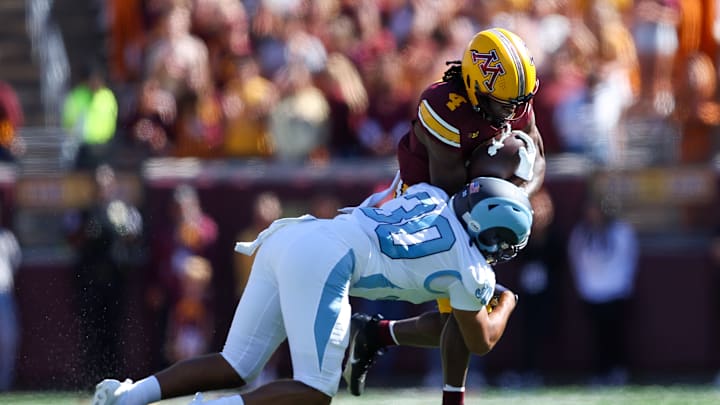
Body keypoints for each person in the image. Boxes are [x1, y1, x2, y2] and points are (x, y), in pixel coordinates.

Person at [92, 176, 532, 405]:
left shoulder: (431, 194)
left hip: (294, 234)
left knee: (236, 363)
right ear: (487, 231)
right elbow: (480, 339)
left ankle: (131, 395)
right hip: (329, 260)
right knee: (314, 391)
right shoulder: (471, 269)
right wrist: (507, 300)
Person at [343, 27, 545, 404]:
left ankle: (377, 335)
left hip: (474, 201)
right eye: (505, 105)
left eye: (520, 103)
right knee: (471, 324)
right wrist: (500, 198)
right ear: (472, 84)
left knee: (464, 317)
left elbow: (536, 156)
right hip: (423, 205)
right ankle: (379, 336)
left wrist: (517, 202)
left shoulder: (511, 99)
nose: (513, 113)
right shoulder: (443, 106)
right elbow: (450, 191)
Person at [568, 192, 639, 385]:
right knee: (597, 336)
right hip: (591, 292)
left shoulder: (621, 231)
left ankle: (619, 370)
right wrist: (583, 287)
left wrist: (624, 285)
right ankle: (601, 371)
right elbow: (576, 261)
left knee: (616, 334)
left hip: (616, 291)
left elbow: (629, 259)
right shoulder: (581, 234)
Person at [0, 205, 21, 391]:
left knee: (8, 339)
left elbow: (16, 262)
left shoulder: (6, 237)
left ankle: (4, 384)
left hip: (3, 294)